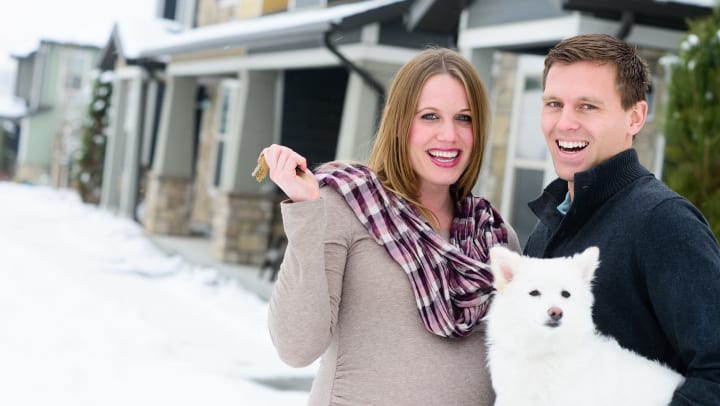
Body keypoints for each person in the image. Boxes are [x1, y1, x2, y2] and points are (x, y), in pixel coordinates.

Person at [263, 47, 520, 405]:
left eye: (464, 118)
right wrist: (307, 213)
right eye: (430, 116)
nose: (449, 135)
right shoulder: (345, 206)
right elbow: (295, 346)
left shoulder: (493, 234)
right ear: (400, 124)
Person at [524, 33, 720, 404]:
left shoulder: (664, 223)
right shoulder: (549, 224)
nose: (565, 123)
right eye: (554, 104)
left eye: (587, 107)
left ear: (636, 116)